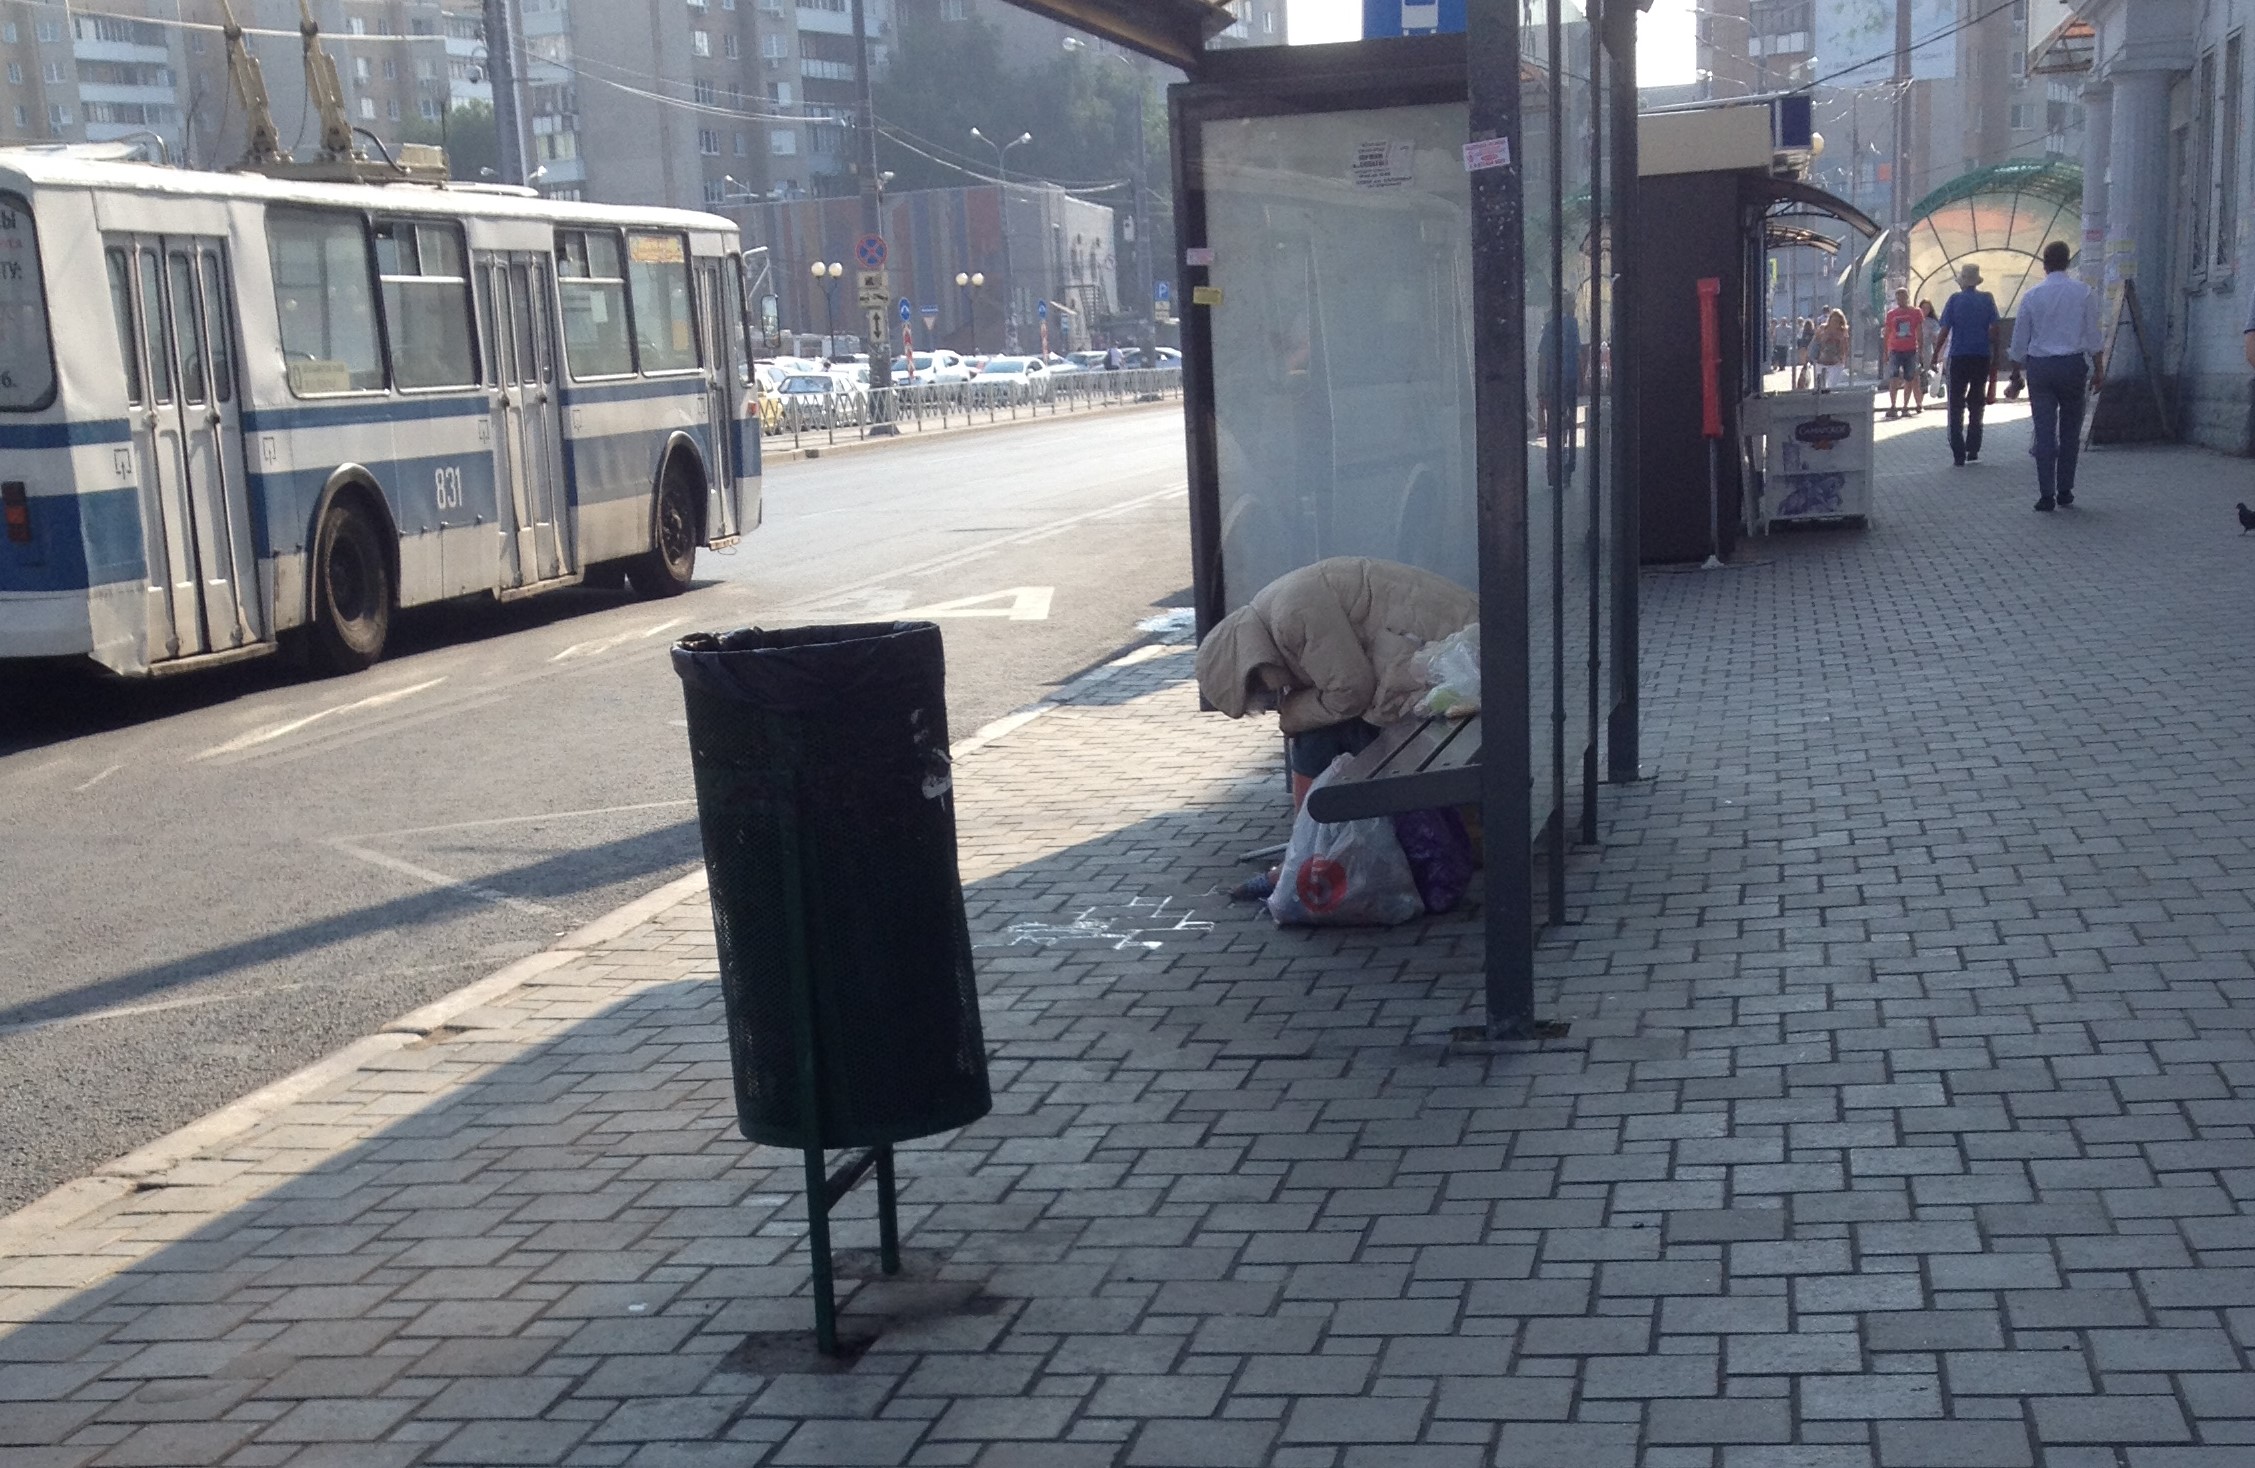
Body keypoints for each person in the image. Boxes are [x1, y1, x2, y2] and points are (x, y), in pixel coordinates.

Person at [1195, 557, 1478, 899]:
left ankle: (1303, 858)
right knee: (1322, 733)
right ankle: (1307, 853)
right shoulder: (1275, 610)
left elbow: (1351, 691)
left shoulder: (1289, 616)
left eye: (1263, 698)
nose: (1272, 702)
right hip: (1446, 656)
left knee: (1313, 738)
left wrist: (1293, 715)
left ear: (1252, 668)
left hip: (1461, 656)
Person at [2009, 239, 2105, 512]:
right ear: (2067, 263)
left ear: (2044, 264)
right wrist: (2099, 369)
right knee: (2071, 430)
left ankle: (2046, 494)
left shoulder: (2031, 295)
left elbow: (2019, 340)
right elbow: (2093, 337)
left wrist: (2016, 372)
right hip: (2073, 366)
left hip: (2040, 368)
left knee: (2044, 430)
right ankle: (2065, 489)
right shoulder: (2084, 293)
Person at [1931, 263, 1999, 466]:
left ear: (1962, 282)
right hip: (1981, 355)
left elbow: (1944, 331)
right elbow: (1995, 330)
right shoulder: (1987, 299)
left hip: (1959, 356)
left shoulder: (1954, 300)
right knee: (1977, 403)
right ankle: (1973, 448)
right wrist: (1995, 356)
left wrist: (1935, 355)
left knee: (1955, 404)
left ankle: (1958, 452)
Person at [1881, 288, 1924, 418]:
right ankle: (1893, 405)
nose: (1901, 300)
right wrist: (1885, 351)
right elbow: (1887, 333)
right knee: (1893, 377)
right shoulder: (1891, 314)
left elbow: (1919, 332)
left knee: (1909, 378)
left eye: (1903, 297)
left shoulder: (1916, 312)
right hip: (1895, 349)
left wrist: (1920, 350)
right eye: (1898, 297)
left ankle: (1905, 406)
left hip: (1910, 349)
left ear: (1907, 297)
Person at [1809, 309, 1849, 389]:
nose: (1835, 323)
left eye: (1838, 321)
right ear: (1829, 320)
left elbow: (1844, 348)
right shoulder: (1823, 329)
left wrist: (1841, 359)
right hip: (1821, 361)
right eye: (1833, 320)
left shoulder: (1842, 332)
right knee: (1819, 387)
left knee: (1831, 386)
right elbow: (1815, 342)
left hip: (1835, 364)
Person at [1917, 300, 1940, 412]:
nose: (1925, 310)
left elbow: (1937, 336)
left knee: (1923, 375)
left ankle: (1920, 401)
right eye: (1923, 308)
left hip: (1927, 351)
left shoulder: (1932, 322)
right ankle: (1917, 400)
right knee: (1913, 376)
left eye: (1927, 308)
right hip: (1914, 350)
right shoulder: (1916, 319)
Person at [1795, 314, 1817, 389]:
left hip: (1806, 349)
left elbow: (1802, 341)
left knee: (1806, 365)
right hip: (1809, 349)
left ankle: (1805, 382)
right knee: (1809, 366)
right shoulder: (1811, 332)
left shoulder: (1806, 332)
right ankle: (1806, 382)